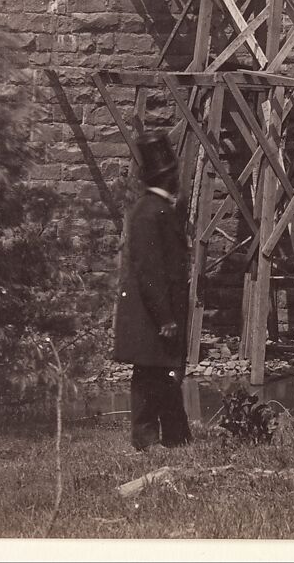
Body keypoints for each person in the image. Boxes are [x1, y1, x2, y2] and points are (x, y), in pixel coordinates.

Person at [113, 131, 192, 451]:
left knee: (163, 374)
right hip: (152, 313)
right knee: (149, 376)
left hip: (158, 310)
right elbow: (149, 271)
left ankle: (176, 436)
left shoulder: (157, 208)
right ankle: (146, 439)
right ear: (169, 175)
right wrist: (165, 317)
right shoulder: (150, 212)